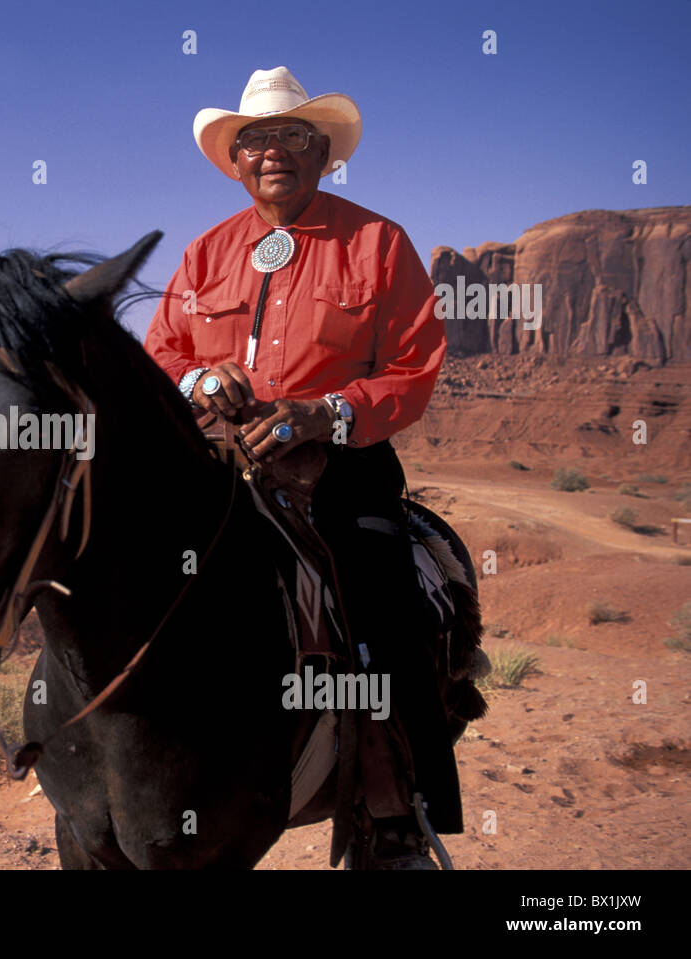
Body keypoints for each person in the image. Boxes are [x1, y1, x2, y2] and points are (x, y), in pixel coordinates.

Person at [145, 66, 458, 868]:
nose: (272, 151)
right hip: (220, 464)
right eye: (256, 139)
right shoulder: (206, 253)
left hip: (339, 471)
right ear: (236, 159)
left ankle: (395, 812)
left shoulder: (378, 243)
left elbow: (415, 366)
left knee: (384, 603)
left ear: (323, 153)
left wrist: (326, 413)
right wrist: (200, 381)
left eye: (291, 136)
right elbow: (163, 350)